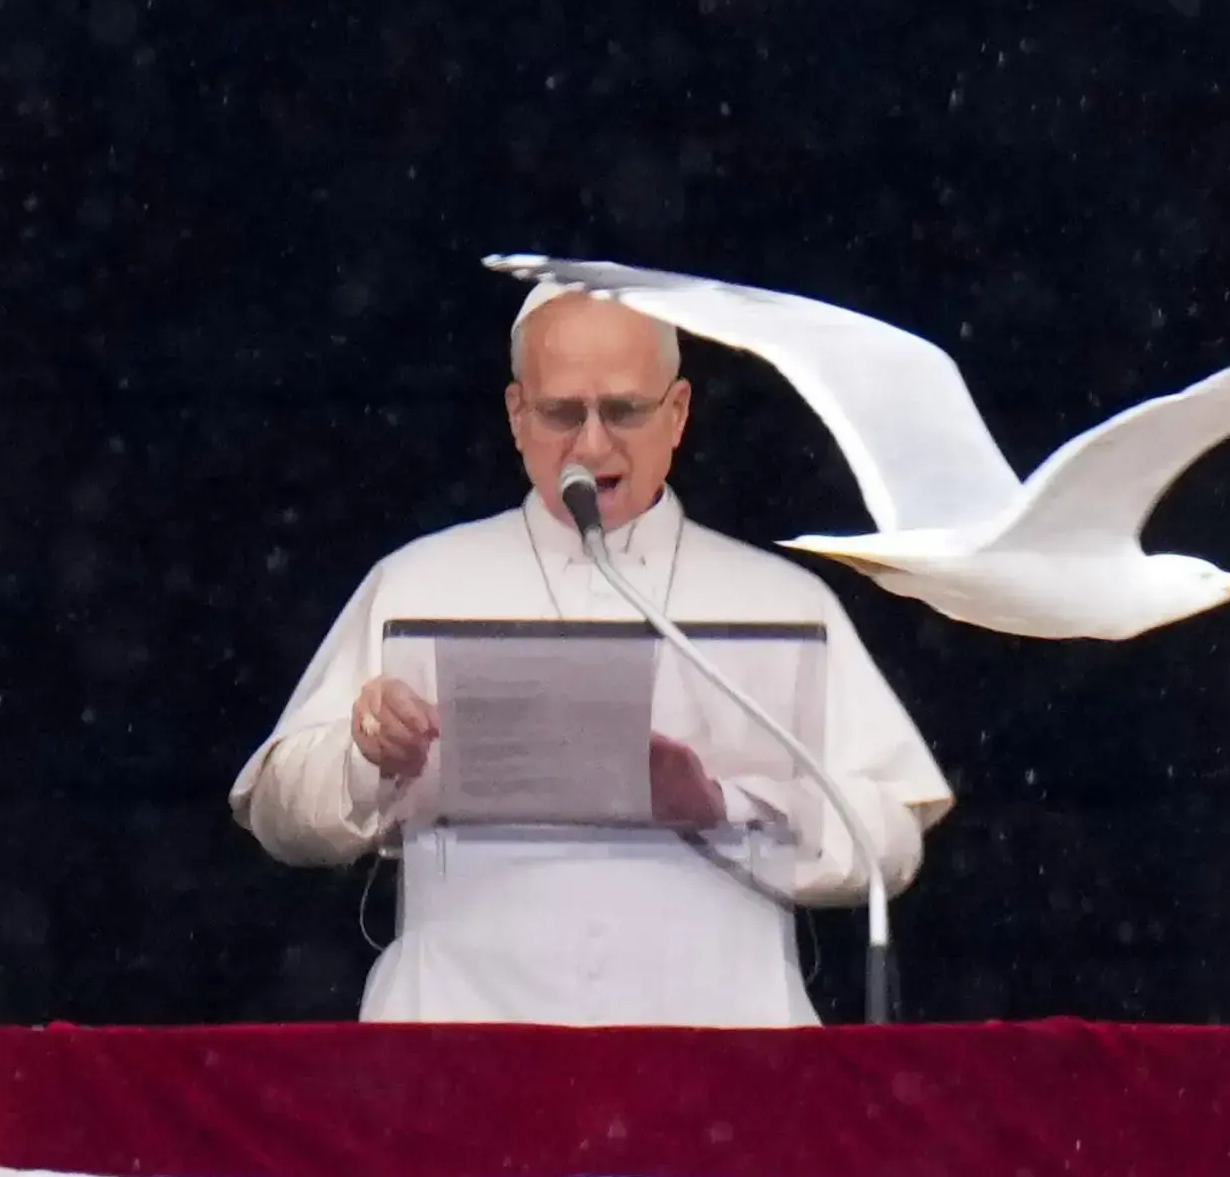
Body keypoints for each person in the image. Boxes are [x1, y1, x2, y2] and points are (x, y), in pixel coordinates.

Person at [230, 281, 954, 1025]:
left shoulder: (782, 600)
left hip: (722, 1042)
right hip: (463, 1037)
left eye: (625, 410)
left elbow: (891, 842)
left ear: (678, 414)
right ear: (517, 416)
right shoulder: (417, 581)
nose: (593, 445)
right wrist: (367, 756)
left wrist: (719, 805)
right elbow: (280, 815)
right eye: (561, 413)